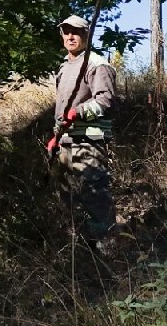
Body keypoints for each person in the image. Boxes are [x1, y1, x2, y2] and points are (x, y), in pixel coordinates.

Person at [48, 14, 118, 253]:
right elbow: (61, 108)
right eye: (66, 31)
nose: (70, 36)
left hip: (88, 139)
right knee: (69, 197)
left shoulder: (97, 64)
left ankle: (106, 250)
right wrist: (55, 138)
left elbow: (105, 101)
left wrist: (77, 113)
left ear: (87, 35)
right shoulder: (64, 67)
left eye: (76, 32)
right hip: (65, 141)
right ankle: (81, 250)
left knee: (95, 194)